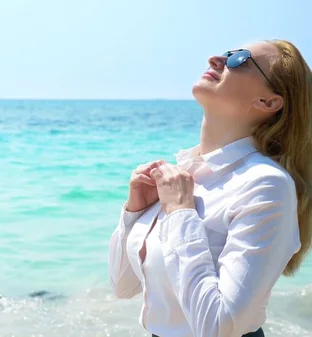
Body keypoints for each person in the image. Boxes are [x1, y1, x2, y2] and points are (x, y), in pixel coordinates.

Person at [108, 39, 312, 337]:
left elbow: (219, 327)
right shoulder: (184, 178)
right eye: (226, 52)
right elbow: (123, 286)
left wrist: (179, 213)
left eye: (239, 59)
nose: (216, 59)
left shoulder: (266, 185)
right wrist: (134, 213)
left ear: (268, 102)